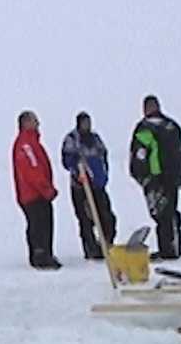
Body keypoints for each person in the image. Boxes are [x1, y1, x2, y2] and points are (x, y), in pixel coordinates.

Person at [130, 95, 181, 260]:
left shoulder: (145, 128)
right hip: (172, 177)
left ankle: (167, 249)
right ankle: (173, 245)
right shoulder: (172, 126)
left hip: (156, 178)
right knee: (170, 211)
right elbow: (180, 152)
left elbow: (140, 154)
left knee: (161, 214)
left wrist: (140, 175)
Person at [61, 112, 117, 259]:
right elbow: (67, 161)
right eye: (84, 123)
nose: (87, 126)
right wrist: (78, 166)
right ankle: (91, 248)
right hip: (80, 187)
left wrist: (103, 174)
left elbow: (103, 155)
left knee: (107, 215)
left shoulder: (95, 139)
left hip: (98, 185)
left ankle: (106, 243)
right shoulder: (72, 139)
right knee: (85, 219)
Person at [12, 110, 61, 270]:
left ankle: (44, 253)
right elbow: (32, 170)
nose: (38, 124)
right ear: (26, 123)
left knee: (44, 222)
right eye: (35, 121)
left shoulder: (32, 143)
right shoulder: (26, 144)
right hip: (33, 194)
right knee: (39, 224)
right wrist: (46, 189)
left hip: (36, 193)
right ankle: (40, 255)